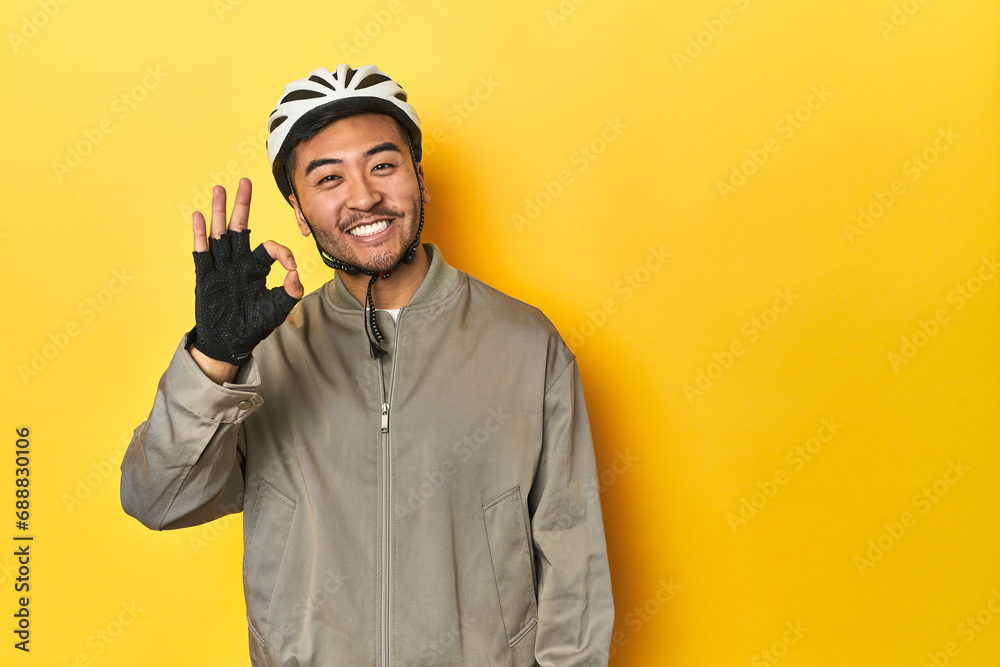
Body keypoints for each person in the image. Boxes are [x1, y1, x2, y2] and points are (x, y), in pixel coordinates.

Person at [120, 63, 614, 666]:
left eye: (382, 165)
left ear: (419, 179)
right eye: (329, 178)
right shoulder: (265, 353)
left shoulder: (525, 343)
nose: (363, 196)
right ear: (299, 212)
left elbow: (572, 558)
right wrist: (214, 359)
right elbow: (158, 500)